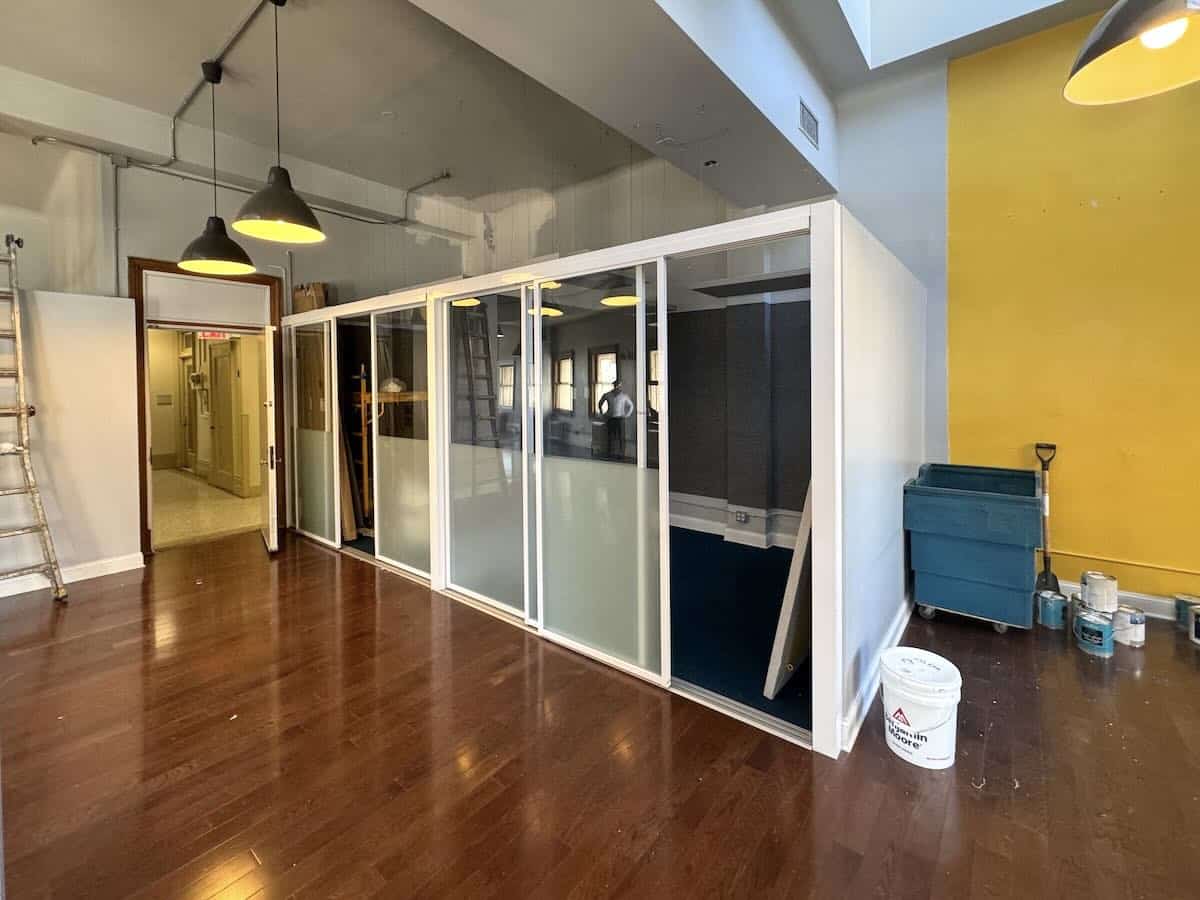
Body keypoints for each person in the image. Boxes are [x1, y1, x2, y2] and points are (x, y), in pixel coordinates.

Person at [597, 379, 634, 460]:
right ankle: (609, 453)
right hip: (610, 418)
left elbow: (631, 406)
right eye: (615, 385)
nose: (617, 387)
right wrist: (602, 412)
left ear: (620, 386)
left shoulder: (624, 396)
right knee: (609, 436)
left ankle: (621, 454)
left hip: (620, 418)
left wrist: (626, 415)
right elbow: (600, 403)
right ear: (613, 385)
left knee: (620, 437)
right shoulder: (607, 395)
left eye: (618, 385)